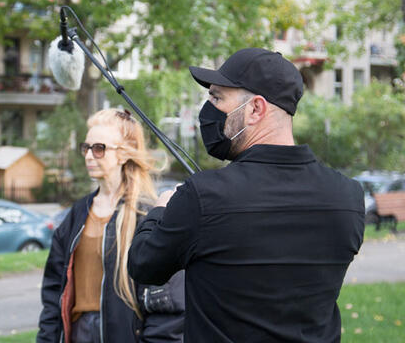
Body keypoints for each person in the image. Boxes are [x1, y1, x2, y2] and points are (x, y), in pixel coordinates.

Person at [128, 48, 365, 342]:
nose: (207, 109)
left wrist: (160, 211)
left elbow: (143, 265)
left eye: (217, 98)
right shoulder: (349, 198)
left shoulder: (203, 196)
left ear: (256, 109)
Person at [37, 109, 184, 343]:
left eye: (99, 148)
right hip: (78, 332)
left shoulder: (148, 215)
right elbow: (54, 292)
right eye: (86, 148)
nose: (89, 156)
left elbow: (167, 304)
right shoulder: (76, 215)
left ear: (123, 154)